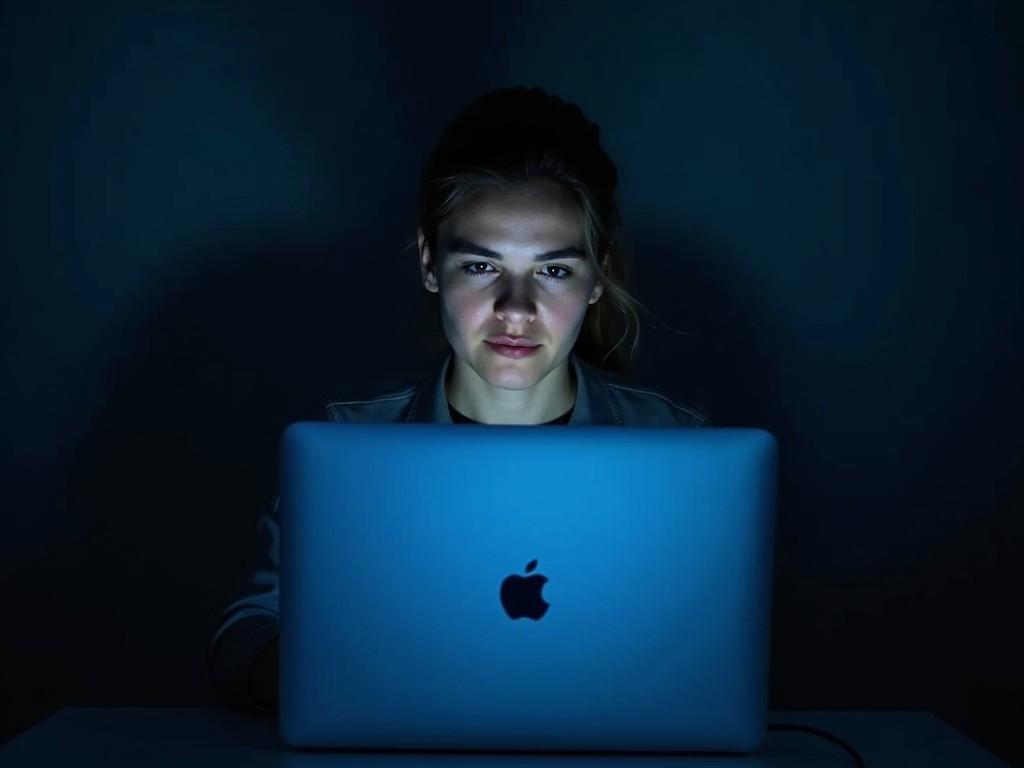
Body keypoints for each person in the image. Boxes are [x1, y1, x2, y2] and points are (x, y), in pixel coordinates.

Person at [207, 85, 710, 714]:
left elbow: (714, 647)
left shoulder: (674, 446)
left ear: (597, 279)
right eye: (481, 266)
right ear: (429, 261)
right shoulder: (347, 447)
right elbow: (245, 632)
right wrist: (325, 677)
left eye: (553, 270)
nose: (517, 309)